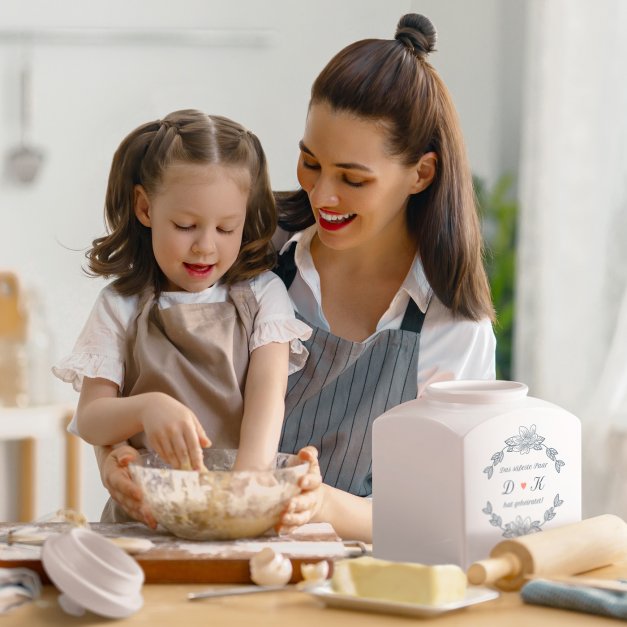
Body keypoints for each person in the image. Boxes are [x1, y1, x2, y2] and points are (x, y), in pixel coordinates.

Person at [96, 13, 496, 541]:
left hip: (347, 583)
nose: (322, 195)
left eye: (353, 179)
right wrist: (113, 460)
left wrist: (323, 502)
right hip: (191, 545)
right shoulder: (248, 253)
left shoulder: (453, 327)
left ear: (420, 174)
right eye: (310, 163)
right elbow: (137, 365)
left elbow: (446, 514)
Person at [53, 109, 311, 521]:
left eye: (227, 229)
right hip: (142, 519)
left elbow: (267, 403)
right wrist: (146, 408)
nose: (205, 247)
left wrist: (243, 494)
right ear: (145, 208)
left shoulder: (264, 297)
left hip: (233, 510)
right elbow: (90, 420)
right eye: (186, 225)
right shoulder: (120, 305)